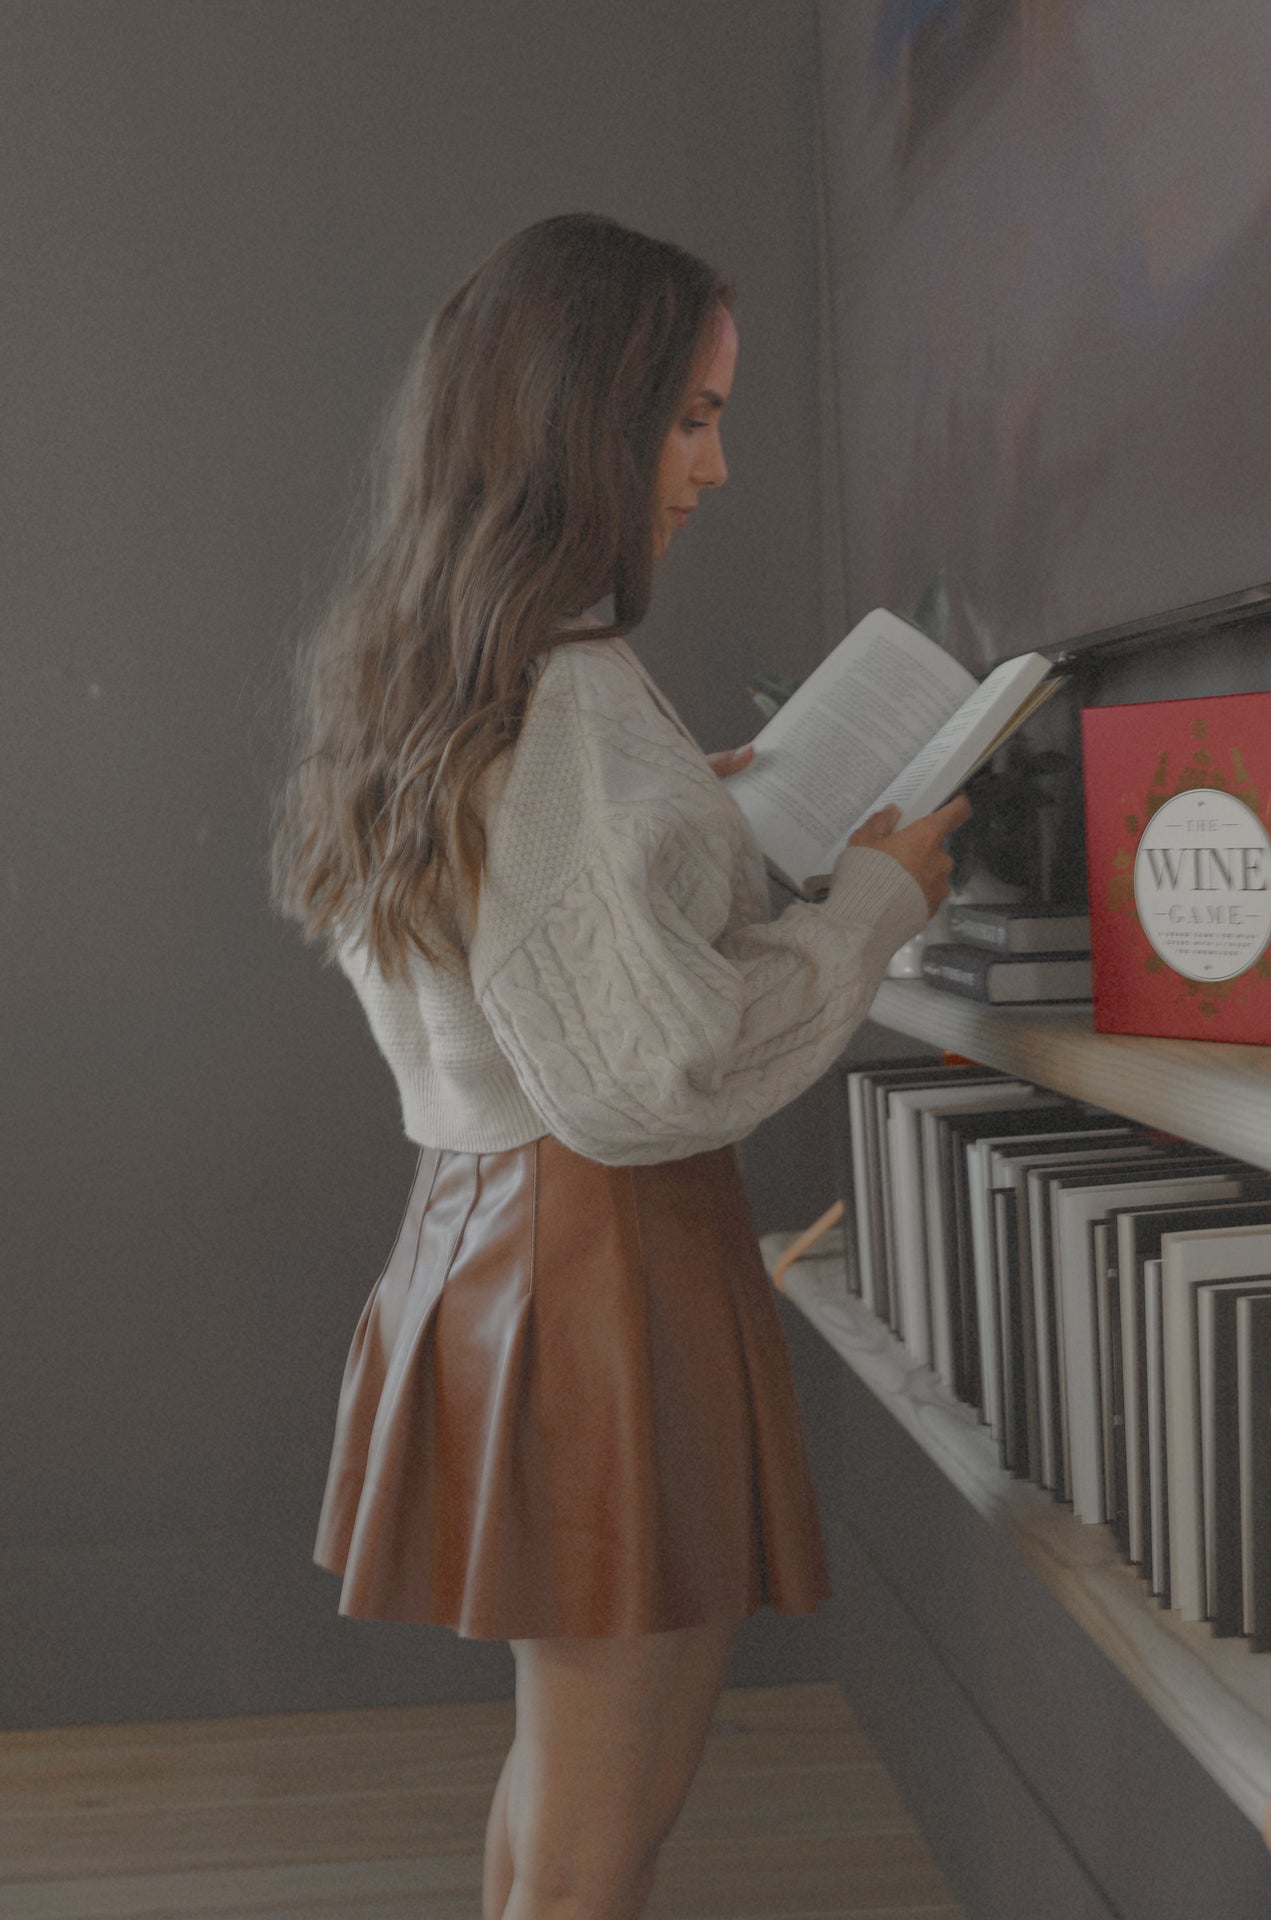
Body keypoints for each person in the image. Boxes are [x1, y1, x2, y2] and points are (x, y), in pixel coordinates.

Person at [271, 212, 969, 1920]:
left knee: (564, 1792)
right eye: (691, 417)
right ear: (580, 419)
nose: (716, 466)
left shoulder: (433, 672)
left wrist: (688, 827)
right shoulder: (569, 701)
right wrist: (872, 901)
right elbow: (651, 1073)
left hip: (492, 1231)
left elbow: (519, 979)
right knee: (605, 1826)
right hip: (599, 1255)